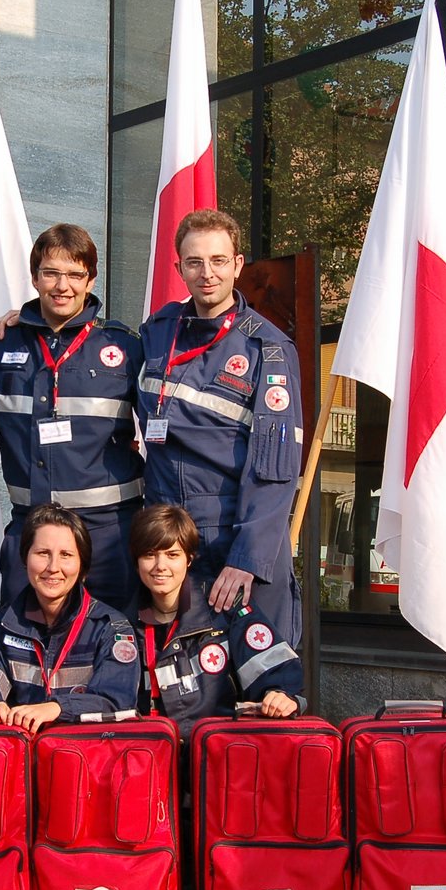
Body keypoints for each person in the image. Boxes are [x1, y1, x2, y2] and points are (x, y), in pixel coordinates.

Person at [135, 208, 305, 648]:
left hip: (237, 538)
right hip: (171, 544)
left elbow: (276, 467)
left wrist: (247, 559)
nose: (206, 273)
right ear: (179, 268)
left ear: (238, 264)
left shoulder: (267, 348)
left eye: (218, 261)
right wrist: (25, 321)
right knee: (181, 685)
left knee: (259, 687)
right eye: (194, 262)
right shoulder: (157, 333)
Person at [0, 224, 144, 609]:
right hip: (31, 528)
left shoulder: (123, 345)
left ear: (91, 280)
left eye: (75, 274)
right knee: (23, 644)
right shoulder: (4, 345)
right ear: (35, 277)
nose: (62, 285)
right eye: (51, 273)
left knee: (116, 643)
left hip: (109, 532)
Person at [0, 505, 140, 732]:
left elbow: (116, 700)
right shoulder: (1, 626)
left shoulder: (111, 629)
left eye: (66, 555)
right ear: (25, 559)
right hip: (21, 756)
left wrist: (58, 708)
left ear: (83, 566)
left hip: (87, 757)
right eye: (43, 553)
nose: (53, 567)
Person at [128, 504, 304, 739]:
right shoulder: (122, 624)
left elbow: (275, 666)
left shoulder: (225, 609)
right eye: (150, 555)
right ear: (136, 560)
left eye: (172, 555)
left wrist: (281, 694)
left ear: (189, 559)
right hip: (150, 757)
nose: (161, 566)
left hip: (217, 755)